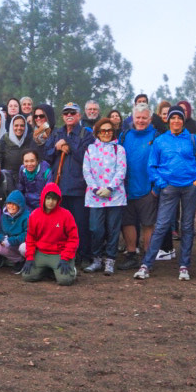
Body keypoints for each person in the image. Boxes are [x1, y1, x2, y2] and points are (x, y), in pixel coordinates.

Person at [134, 107, 196, 282]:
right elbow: (152, 166)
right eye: (173, 118)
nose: (176, 121)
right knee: (161, 225)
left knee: (188, 226)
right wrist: (162, 184)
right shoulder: (160, 141)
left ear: (183, 121)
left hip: (191, 187)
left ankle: (184, 266)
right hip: (169, 188)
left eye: (179, 118)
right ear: (168, 120)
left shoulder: (193, 139)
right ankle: (146, 264)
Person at [44, 103, 95, 267]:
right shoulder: (56, 133)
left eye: (73, 112)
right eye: (66, 113)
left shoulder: (86, 135)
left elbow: (87, 158)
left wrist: (69, 146)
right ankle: (62, 253)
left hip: (78, 188)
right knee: (59, 224)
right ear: (62, 116)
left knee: (80, 224)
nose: (69, 115)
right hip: (59, 187)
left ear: (79, 115)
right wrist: (56, 148)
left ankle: (84, 254)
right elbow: (46, 156)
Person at [81, 117, 127, 275]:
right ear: (97, 133)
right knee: (96, 228)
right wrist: (95, 188)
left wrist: (110, 188)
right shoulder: (90, 149)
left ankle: (110, 260)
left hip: (115, 196)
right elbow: (87, 171)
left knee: (113, 229)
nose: (106, 133)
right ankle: (96, 259)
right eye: (103, 131)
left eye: (109, 130)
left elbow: (121, 171)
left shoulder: (119, 149)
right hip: (95, 197)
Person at [22, 182, 78, 285]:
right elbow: (30, 237)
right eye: (48, 198)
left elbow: (73, 238)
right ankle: (47, 270)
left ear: (58, 200)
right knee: (27, 276)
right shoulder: (35, 215)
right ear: (43, 198)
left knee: (65, 281)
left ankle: (71, 269)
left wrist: (65, 257)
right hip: (41, 252)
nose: (50, 202)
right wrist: (29, 257)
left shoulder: (66, 215)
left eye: (54, 199)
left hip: (59, 254)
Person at [0, 191, 29, 268]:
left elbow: (28, 234)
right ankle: (19, 261)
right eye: (9, 203)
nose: (11, 206)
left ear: (20, 205)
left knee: (24, 248)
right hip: (11, 244)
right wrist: (1, 238)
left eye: (14, 204)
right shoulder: (3, 216)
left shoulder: (27, 216)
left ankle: (29, 262)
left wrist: (11, 241)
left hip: (22, 243)